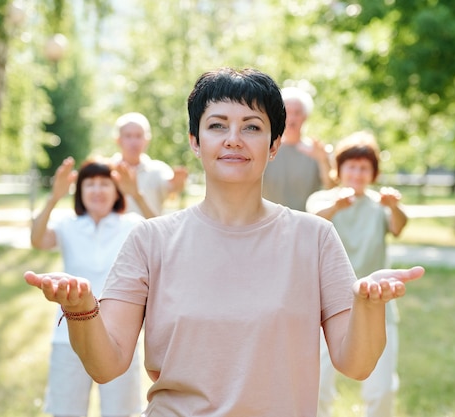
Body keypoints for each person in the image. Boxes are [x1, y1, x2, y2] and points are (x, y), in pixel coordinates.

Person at [24, 68, 424, 417]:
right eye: (217, 125)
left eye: (252, 126)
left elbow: (355, 364)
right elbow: (107, 364)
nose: (234, 139)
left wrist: (369, 306)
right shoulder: (150, 239)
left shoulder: (315, 237)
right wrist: (81, 311)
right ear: (195, 141)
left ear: (273, 145)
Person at [30, 156, 144, 417]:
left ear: (116, 190)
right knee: (66, 411)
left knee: (121, 413)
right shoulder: (68, 225)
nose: (97, 190)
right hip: (68, 336)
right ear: (80, 191)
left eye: (104, 183)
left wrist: (136, 192)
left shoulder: (132, 225)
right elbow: (37, 240)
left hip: (118, 337)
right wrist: (53, 197)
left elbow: (166, 238)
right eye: (89, 184)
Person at [306, 131, 409, 417]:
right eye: (351, 166)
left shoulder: (379, 205)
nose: (357, 173)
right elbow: (311, 225)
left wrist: (394, 206)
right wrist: (336, 206)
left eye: (364, 168)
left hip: (377, 303)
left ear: (373, 173)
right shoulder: (322, 199)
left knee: (382, 389)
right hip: (327, 306)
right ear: (339, 170)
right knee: (317, 385)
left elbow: (399, 227)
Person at [262, 86, 335, 211]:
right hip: (269, 223)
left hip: (306, 223)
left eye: (297, 113)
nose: (292, 119)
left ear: (305, 117)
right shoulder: (265, 149)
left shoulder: (316, 152)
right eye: (287, 112)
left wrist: (323, 161)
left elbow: (332, 189)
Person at [110, 112, 188, 218]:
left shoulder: (159, 170)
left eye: (139, 136)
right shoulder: (107, 170)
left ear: (147, 139)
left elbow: (171, 187)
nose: (134, 142)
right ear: (118, 140)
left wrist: (177, 185)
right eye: (128, 136)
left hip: (150, 233)